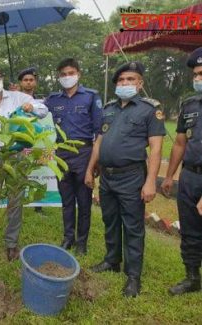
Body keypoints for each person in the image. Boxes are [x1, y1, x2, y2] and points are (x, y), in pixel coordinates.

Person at [84, 61, 165, 297]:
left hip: (132, 177)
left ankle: (133, 276)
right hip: (107, 176)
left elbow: (156, 149)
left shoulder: (150, 109)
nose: (125, 83)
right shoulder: (108, 108)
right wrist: (90, 169)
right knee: (110, 221)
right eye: (121, 80)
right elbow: (99, 141)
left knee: (133, 227)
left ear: (140, 84)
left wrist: (151, 182)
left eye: (131, 79)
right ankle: (112, 260)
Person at [0, 64, 48, 262]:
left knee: (15, 200)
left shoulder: (18, 97)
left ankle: (11, 244)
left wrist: (32, 107)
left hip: (15, 156)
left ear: (1, 78)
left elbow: (43, 109)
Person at [44, 58, 102, 255]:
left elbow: (99, 133)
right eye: (63, 74)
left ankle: (82, 243)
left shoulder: (91, 97)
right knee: (67, 200)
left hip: (84, 154)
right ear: (59, 77)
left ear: (78, 74)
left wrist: (95, 163)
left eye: (70, 73)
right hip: (61, 154)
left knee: (84, 201)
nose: (67, 77)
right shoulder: (53, 100)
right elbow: (37, 111)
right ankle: (68, 238)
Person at [161, 47, 202, 296]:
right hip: (189, 176)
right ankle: (192, 277)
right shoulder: (189, 106)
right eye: (196, 74)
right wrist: (169, 176)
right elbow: (179, 143)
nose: (198, 78)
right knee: (189, 228)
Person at [17, 67, 46, 217]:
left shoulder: (41, 101)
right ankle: (17, 205)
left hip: (37, 144)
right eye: (25, 80)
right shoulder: (14, 99)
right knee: (20, 175)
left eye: (31, 80)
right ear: (21, 83)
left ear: (35, 82)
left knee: (38, 172)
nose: (28, 83)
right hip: (20, 146)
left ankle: (38, 206)